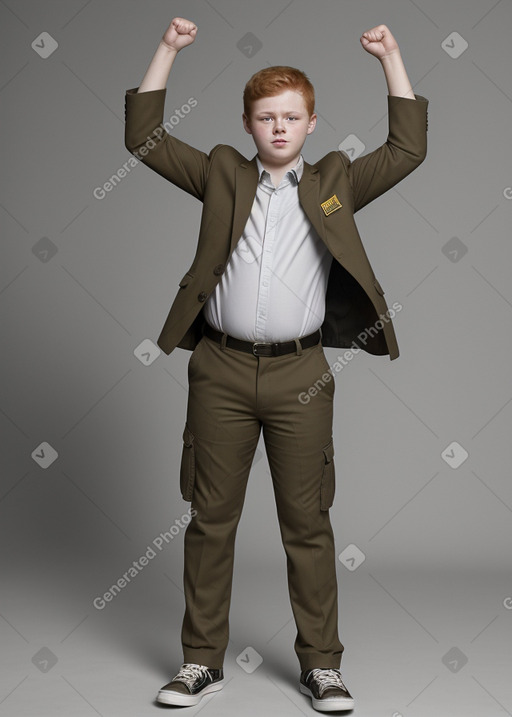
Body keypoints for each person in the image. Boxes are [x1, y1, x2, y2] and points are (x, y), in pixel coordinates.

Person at [124, 16, 428, 712]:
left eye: (292, 117)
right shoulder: (223, 174)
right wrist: (168, 50)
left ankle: (322, 666)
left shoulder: (336, 182)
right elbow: (143, 139)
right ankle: (200, 661)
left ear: (312, 123)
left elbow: (408, 149)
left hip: (302, 376)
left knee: (308, 522)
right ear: (248, 123)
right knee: (210, 520)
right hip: (221, 373)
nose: (280, 129)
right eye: (267, 118)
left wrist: (392, 57)